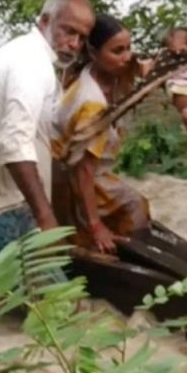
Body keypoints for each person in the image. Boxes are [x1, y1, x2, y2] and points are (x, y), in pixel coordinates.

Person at [0, 0, 94, 261]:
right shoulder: (32, 66)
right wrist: (46, 217)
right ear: (44, 21)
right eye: (68, 31)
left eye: (82, 38)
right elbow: (14, 145)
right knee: (51, 300)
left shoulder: (23, 51)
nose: (74, 44)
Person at [51, 13, 151, 252]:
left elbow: (137, 68)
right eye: (118, 51)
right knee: (136, 205)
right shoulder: (93, 104)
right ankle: (131, 256)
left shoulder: (97, 74)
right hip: (69, 176)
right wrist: (95, 225)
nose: (127, 57)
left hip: (79, 169)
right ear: (94, 53)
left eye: (129, 48)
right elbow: (83, 170)